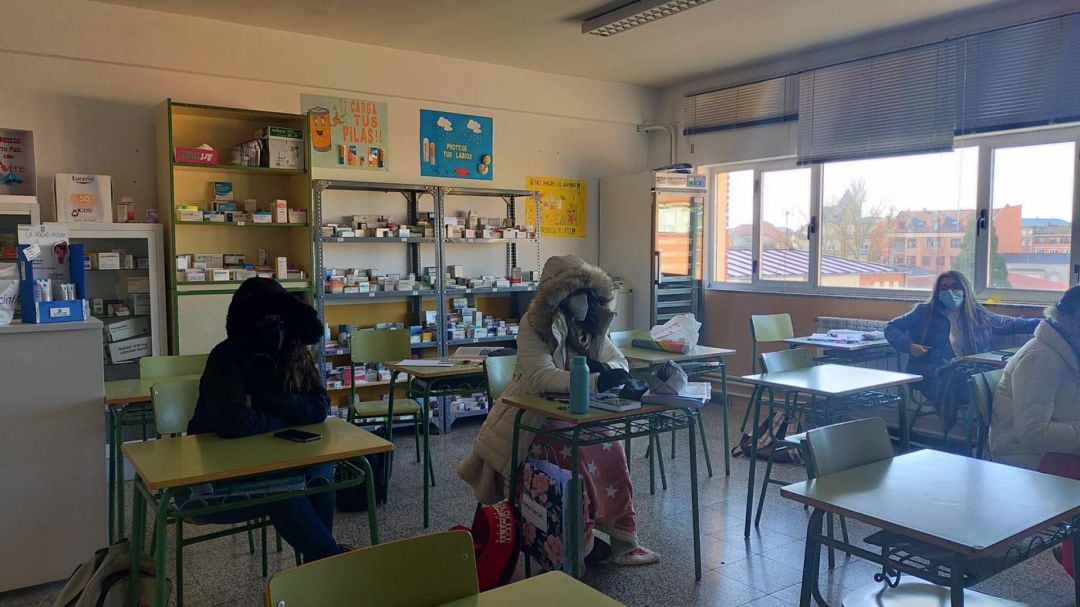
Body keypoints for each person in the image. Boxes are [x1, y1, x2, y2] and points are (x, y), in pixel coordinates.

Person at [457, 255, 658, 567]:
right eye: (574, 293)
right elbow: (540, 377)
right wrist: (593, 378)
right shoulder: (533, 324)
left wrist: (604, 369)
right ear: (557, 296)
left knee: (611, 448)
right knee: (572, 456)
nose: (582, 301)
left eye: (587, 293)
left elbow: (619, 360)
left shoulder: (591, 324)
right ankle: (577, 539)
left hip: (576, 412)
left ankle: (620, 539)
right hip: (533, 413)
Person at [187, 277, 344, 562]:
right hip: (217, 476)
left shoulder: (295, 354)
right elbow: (234, 424)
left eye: (279, 318)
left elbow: (319, 408)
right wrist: (289, 418)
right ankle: (332, 563)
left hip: (271, 461)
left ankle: (320, 568)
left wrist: (260, 401)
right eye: (265, 319)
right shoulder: (225, 358)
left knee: (321, 467)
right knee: (286, 491)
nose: (274, 327)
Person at [885, 271, 1038, 402]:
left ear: (965, 290)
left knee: (1003, 384)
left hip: (970, 371)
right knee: (982, 388)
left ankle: (990, 431)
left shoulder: (978, 316)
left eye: (955, 287)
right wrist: (910, 346)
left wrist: (1050, 322)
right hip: (934, 373)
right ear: (937, 292)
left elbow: (1013, 324)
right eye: (943, 288)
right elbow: (891, 327)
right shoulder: (924, 313)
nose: (949, 292)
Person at [991, 286, 1080, 469]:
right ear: (1074, 320)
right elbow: (1034, 433)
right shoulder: (1041, 358)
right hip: (1028, 457)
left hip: (1059, 450)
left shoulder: (1069, 349)